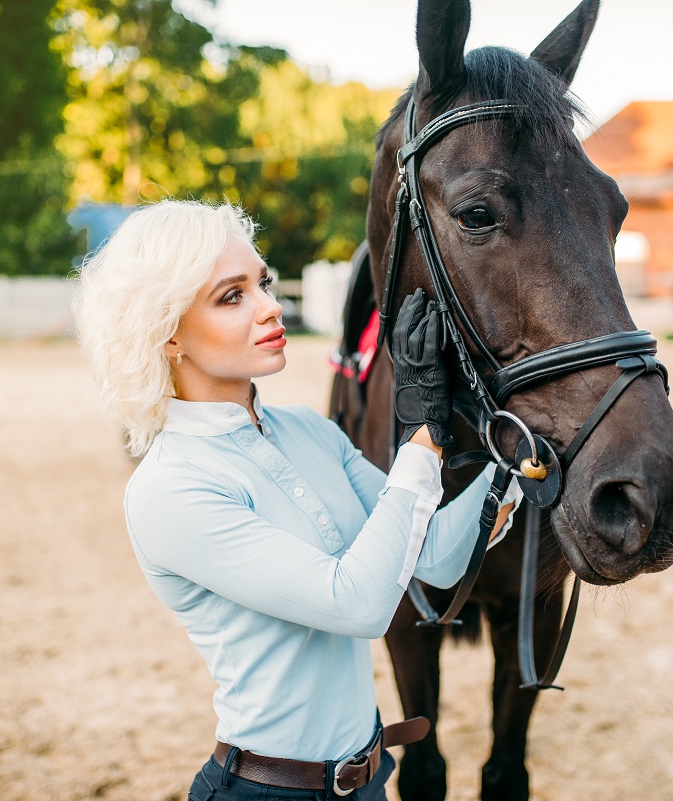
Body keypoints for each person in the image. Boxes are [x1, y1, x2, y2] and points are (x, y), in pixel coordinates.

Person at [73, 199, 521, 800]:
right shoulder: (169, 490)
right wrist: (421, 437)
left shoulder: (311, 431)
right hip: (265, 790)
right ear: (167, 333)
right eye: (232, 296)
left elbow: (435, 556)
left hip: (366, 782)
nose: (269, 306)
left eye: (263, 282)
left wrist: (518, 455)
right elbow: (358, 604)